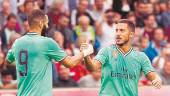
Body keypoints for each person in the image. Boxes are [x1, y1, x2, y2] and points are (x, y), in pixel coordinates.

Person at [5, 9, 93, 96]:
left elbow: (8, 61)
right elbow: (69, 63)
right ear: (40, 23)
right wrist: (84, 52)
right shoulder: (47, 43)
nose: (47, 26)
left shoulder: (17, 42)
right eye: (46, 23)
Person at [80, 19, 162, 96]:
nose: (118, 33)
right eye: (116, 30)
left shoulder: (141, 56)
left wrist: (157, 79)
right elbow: (93, 67)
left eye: (122, 30)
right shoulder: (106, 51)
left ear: (131, 34)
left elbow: (152, 76)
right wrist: (86, 56)